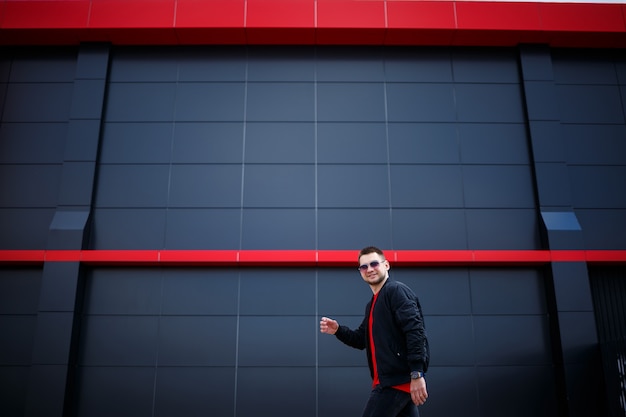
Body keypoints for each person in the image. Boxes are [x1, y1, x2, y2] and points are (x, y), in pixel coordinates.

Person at [320, 246, 429, 417]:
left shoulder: (395, 291)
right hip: (391, 382)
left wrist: (417, 373)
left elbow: (415, 331)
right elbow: (360, 340)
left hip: (395, 383)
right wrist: (338, 330)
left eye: (374, 264)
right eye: (364, 267)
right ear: (360, 272)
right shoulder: (372, 304)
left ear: (386, 265)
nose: (369, 269)